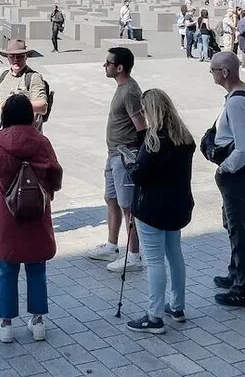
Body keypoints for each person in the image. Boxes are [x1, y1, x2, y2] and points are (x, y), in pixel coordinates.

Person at [0, 94, 63, 343]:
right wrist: (47, 192)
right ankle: (38, 321)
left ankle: (5, 323)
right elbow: (55, 174)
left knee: (7, 267)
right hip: (36, 209)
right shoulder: (41, 141)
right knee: (37, 266)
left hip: (6, 212)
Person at [126, 89, 194, 334]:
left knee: (154, 261)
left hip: (152, 209)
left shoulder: (153, 142)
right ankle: (177, 306)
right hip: (178, 206)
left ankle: (154, 316)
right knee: (175, 255)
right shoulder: (184, 138)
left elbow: (139, 175)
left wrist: (130, 165)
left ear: (151, 111)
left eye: (144, 110)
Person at [209, 52, 245, 307]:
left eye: (213, 70)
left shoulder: (237, 103)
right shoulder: (239, 94)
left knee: (239, 229)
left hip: (238, 173)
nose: (211, 74)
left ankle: (244, 290)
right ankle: (235, 273)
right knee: (232, 224)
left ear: (225, 72)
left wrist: (224, 169)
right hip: (239, 172)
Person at [87, 47, 146, 272]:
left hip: (125, 155)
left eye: (108, 63)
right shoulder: (122, 88)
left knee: (127, 206)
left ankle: (133, 255)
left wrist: (139, 158)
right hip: (113, 154)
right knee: (111, 199)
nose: (105, 66)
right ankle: (112, 246)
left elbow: (141, 126)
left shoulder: (130, 91)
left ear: (119, 67)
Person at [0, 39, 47, 130]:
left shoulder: (33, 77)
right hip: (7, 132)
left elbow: (43, 108)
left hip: (27, 134)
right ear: (7, 57)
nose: (16, 59)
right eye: (12, 56)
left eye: (20, 56)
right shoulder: (4, 76)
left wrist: (18, 104)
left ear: (26, 57)